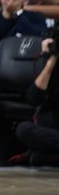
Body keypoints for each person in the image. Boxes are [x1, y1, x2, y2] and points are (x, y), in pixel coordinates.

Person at [15, 36, 59, 166]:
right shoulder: (50, 63)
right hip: (52, 129)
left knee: (38, 158)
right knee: (23, 129)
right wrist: (51, 60)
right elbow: (34, 98)